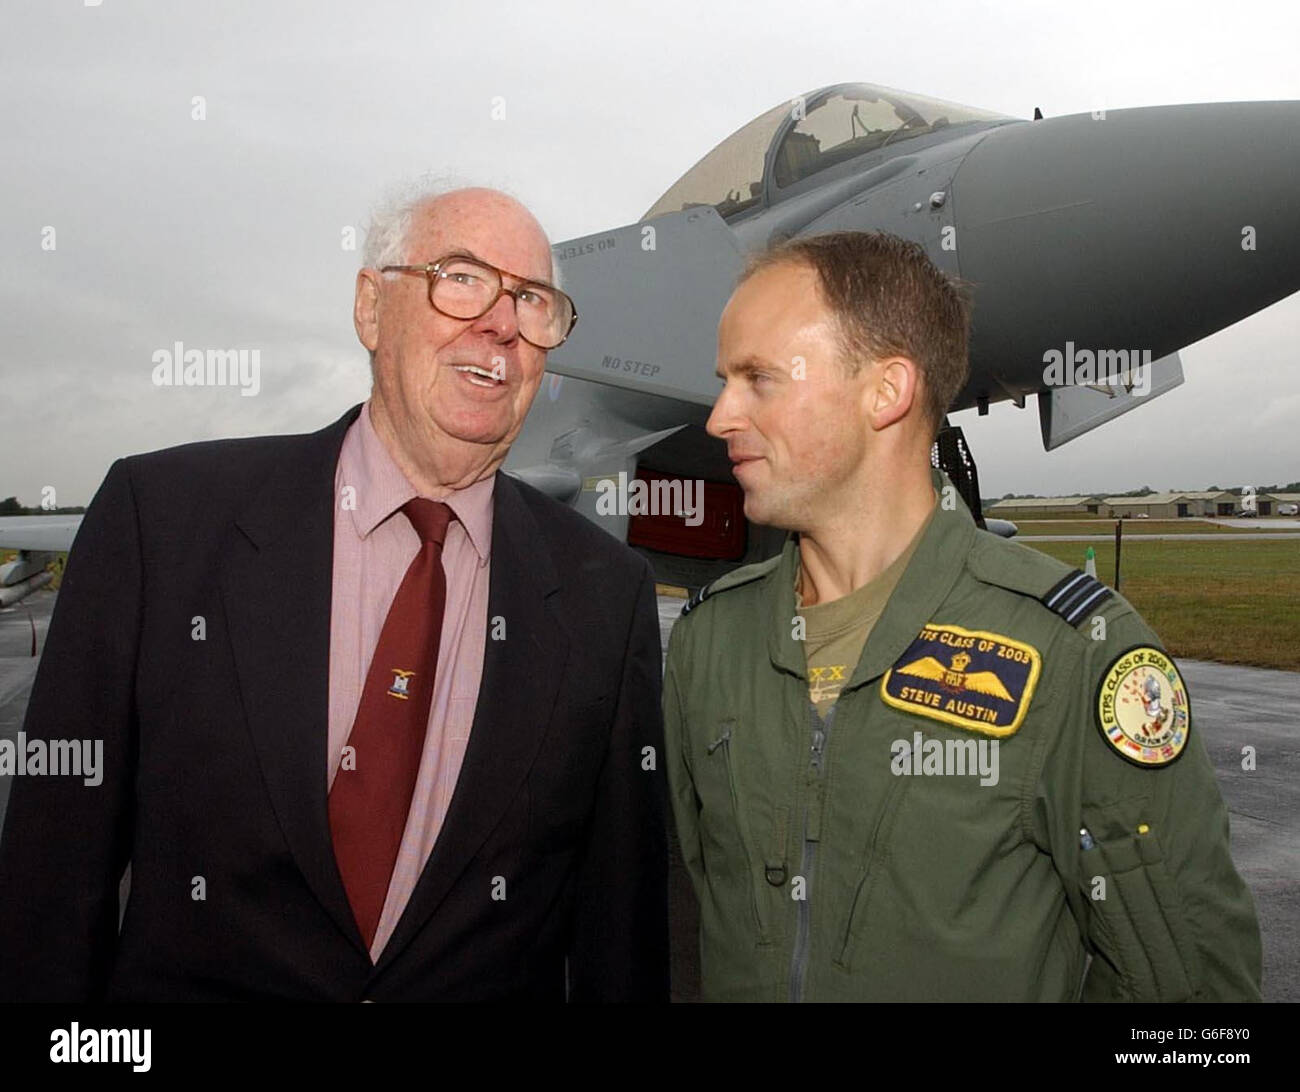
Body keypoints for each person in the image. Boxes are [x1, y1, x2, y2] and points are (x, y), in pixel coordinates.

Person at [0, 184, 668, 1002]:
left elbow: (620, 938)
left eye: (532, 302)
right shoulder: (163, 524)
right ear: (370, 308)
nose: (500, 323)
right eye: (461, 278)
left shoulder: (607, 594)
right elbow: (50, 886)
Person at [663, 231, 1261, 1002]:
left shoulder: (1072, 651)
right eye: (725, 380)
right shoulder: (711, 639)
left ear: (887, 391)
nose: (718, 417)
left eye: (758, 380)